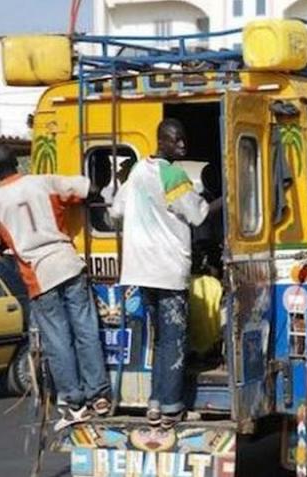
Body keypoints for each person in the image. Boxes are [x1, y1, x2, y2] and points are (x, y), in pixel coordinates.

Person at [0, 145, 111, 431]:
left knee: (58, 342)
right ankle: (99, 395)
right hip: (68, 263)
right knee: (86, 331)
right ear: (18, 162)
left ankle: (75, 404)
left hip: (39, 276)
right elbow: (88, 188)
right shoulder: (42, 182)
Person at [110, 119, 210, 429]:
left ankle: (154, 404)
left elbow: (116, 211)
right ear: (161, 141)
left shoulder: (138, 171)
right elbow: (197, 214)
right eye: (176, 140)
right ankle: (171, 408)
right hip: (168, 270)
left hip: (140, 270)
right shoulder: (173, 174)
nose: (182, 145)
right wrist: (218, 202)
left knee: (158, 339)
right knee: (173, 341)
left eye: (183, 139)